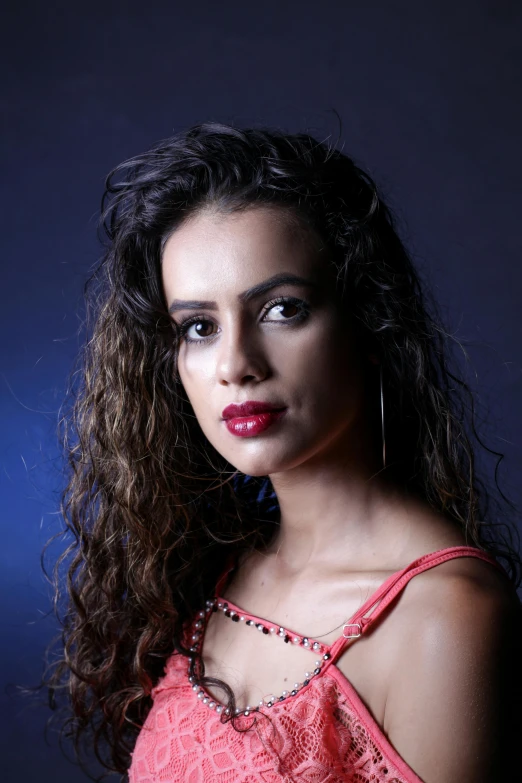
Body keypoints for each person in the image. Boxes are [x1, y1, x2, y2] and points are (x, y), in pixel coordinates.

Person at [45, 121, 522, 783]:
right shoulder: (215, 571)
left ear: (367, 320)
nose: (236, 364)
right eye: (200, 327)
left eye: (282, 309)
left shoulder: (445, 617)